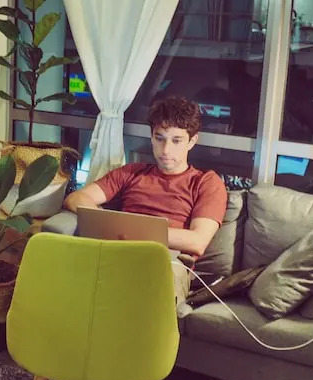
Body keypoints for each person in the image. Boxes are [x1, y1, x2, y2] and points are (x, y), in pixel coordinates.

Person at [62, 97, 228, 304]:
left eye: (176, 141)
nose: (165, 150)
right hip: (118, 251)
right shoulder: (132, 172)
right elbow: (77, 198)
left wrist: (130, 230)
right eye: (159, 138)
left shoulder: (206, 182)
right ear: (151, 137)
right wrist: (110, 223)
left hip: (167, 260)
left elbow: (197, 242)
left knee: (148, 282)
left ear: (192, 141)